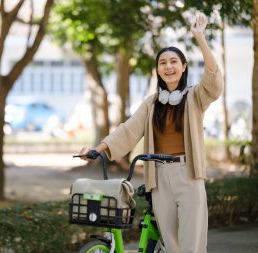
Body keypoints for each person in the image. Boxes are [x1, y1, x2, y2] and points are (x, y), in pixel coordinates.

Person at [79, 13, 223, 253]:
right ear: (157, 69)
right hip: (158, 178)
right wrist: (98, 149)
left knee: (192, 243)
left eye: (174, 61)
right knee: (170, 243)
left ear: (184, 67)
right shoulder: (151, 103)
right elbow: (128, 130)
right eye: (163, 62)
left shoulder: (195, 97)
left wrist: (200, 38)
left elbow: (215, 82)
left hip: (189, 175)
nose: (168, 66)